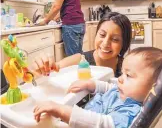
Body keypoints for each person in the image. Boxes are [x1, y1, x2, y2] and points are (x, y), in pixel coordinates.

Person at [33, 47, 162, 128]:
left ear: (153, 88)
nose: (121, 78)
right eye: (122, 73)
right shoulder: (125, 91)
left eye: (128, 75)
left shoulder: (130, 112)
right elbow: (110, 86)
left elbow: (101, 123)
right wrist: (92, 84)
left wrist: (61, 110)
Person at [32, 12, 132, 78]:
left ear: (124, 43)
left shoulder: (127, 68)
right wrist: (42, 67)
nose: (105, 43)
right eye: (102, 35)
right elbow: (53, 70)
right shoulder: (79, 60)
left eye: (115, 39)